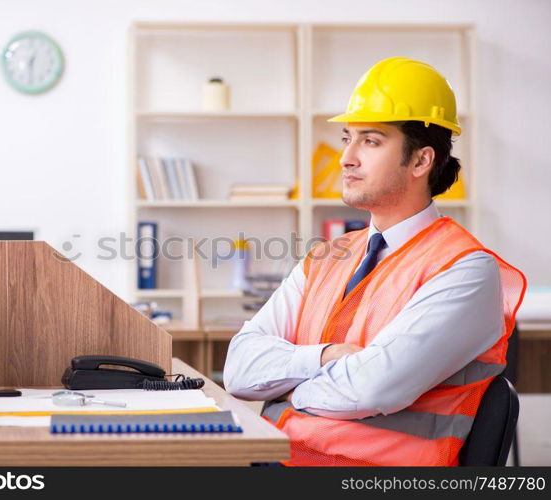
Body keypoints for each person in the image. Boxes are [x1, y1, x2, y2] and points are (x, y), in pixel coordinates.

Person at [223, 57, 526, 466]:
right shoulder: (326, 258)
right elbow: (240, 370)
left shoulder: (463, 269)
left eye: (371, 140)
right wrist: (326, 356)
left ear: (421, 161)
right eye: (348, 137)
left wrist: (284, 389)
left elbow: (373, 388)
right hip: (282, 464)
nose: (345, 157)